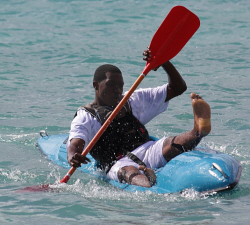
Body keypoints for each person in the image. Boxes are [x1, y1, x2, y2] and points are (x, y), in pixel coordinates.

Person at [66, 49, 211, 188]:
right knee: (128, 171)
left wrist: (163, 61)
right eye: (111, 85)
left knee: (171, 143)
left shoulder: (131, 99)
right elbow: (75, 144)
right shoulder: (86, 115)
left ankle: (198, 131)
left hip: (148, 150)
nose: (117, 89)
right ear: (96, 86)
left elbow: (178, 88)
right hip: (118, 164)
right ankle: (149, 182)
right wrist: (73, 155)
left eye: (120, 85)